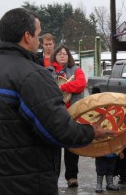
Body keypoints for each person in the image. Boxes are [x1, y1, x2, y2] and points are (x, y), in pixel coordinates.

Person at [0, 8, 113, 195]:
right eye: (38, 34)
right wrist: (91, 131)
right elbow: (59, 131)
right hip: (25, 181)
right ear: (27, 36)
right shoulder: (32, 75)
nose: (39, 40)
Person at [47, 45, 86, 187]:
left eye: (65, 54)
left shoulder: (76, 70)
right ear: (55, 56)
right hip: (55, 112)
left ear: (69, 56)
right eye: (59, 54)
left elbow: (81, 84)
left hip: (74, 112)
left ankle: (72, 176)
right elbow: (45, 88)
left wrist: (62, 87)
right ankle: (52, 177)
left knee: (71, 145)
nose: (62, 56)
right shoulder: (48, 71)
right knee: (53, 146)